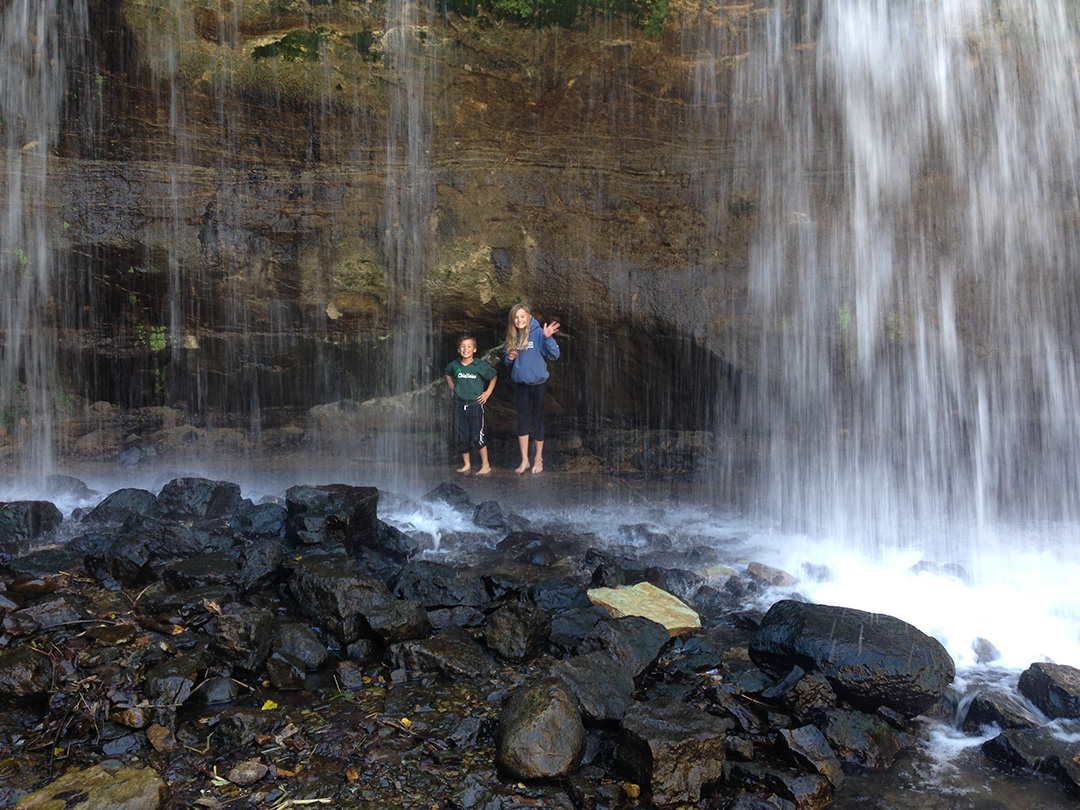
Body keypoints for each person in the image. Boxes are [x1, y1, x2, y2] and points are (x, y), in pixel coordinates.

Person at [503, 302, 560, 474]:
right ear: (513, 320)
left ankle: (538, 459)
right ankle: (525, 460)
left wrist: (548, 337)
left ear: (529, 317)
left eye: (522, 316)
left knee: (537, 420)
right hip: (521, 385)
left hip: (539, 385)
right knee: (521, 421)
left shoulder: (538, 334)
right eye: (516, 317)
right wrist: (510, 358)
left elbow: (554, 355)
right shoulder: (512, 336)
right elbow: (506, 360)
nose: (519, 320)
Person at [444, 334, 497, 475]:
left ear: (474, 349)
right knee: (462, 436)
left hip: (475, 405)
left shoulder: (479, 365)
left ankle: (485, 465)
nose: (465, 349)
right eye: (462, 346)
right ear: (458, 350)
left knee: (477, 436)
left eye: (469, 346)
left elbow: (493, 376)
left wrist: (487, 393)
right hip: (459, 405)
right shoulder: (455, 365)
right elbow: (448, 373)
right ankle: (466, 464)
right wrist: (452, 388)